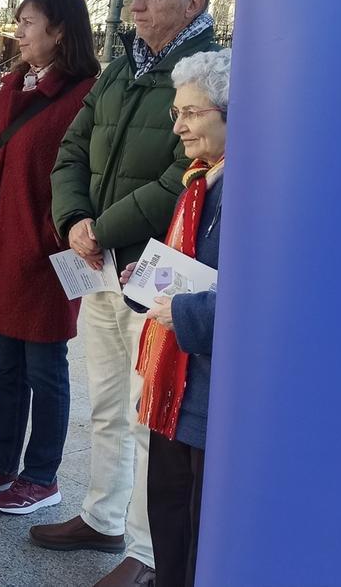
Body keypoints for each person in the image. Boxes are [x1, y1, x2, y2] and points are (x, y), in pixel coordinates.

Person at [39, 0, 222, 587]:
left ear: (193, 3)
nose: (134, 4)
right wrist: (74, 223)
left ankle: (145, 554)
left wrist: (102, 229)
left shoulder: (207, 74)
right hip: (100, 264)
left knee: (153, 414)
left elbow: (185, 173)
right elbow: (72, 150)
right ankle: (102, 515)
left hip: (157, 272)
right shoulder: (122, 68)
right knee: (109, 404)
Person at [0, 0, 100, 514]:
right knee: (5, 364)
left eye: (27, 21)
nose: (18, 30)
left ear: (59, 30)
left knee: (45, 365)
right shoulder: (10, 87)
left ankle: (42, 475)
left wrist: (51, 234)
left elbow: (82, 176)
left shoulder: (86, 95)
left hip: (47, 253)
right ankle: (1, 462)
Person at [118, 49, 229, 587]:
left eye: (191, 113)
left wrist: (181, 309)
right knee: (169, 516)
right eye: (176, 113)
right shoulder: (200, 183)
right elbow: (192, 265)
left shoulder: (251, 190)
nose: (179, 126)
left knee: (197, 531)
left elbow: (264, 295)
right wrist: (151, 277)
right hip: (178, 390)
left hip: (213, 396)